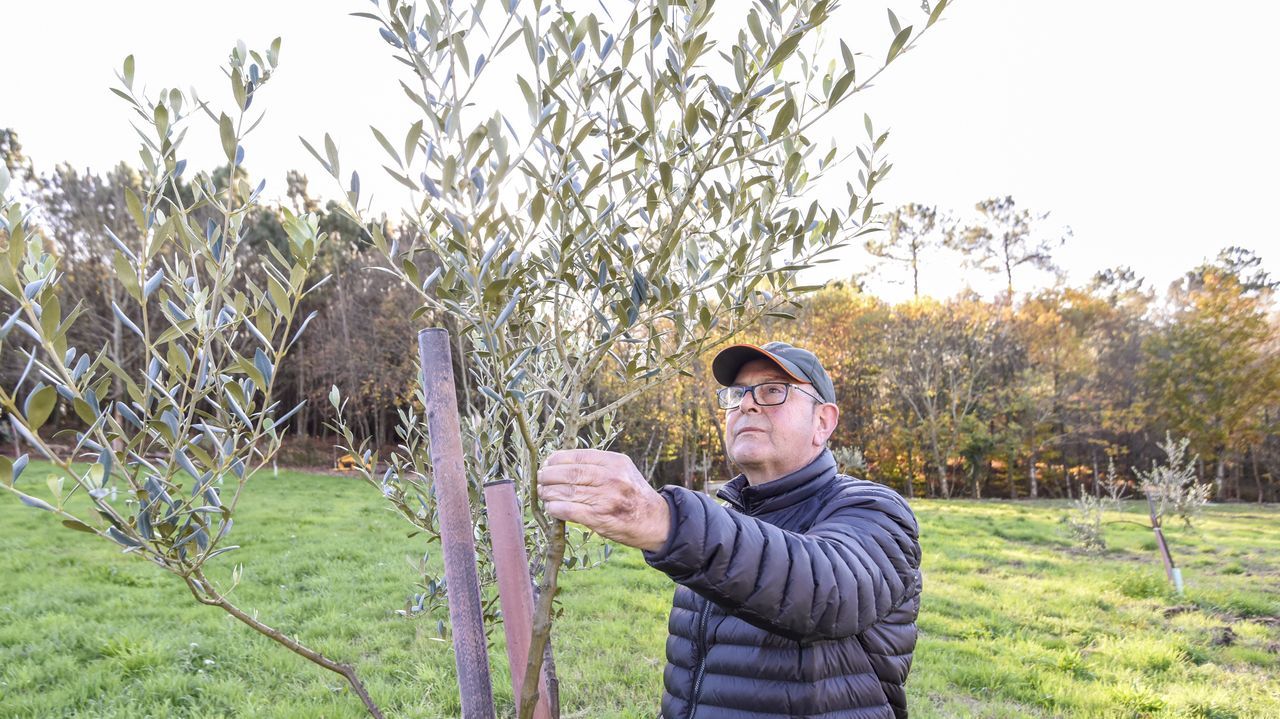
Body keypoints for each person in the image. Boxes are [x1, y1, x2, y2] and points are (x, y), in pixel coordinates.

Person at [537, 342, 922, 719]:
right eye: (737, 394)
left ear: (823, 421)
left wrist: (663, 520)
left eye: (773, 390)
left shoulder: (875, 510)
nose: (747, 404)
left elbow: (827, 591)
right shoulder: (724, 520)